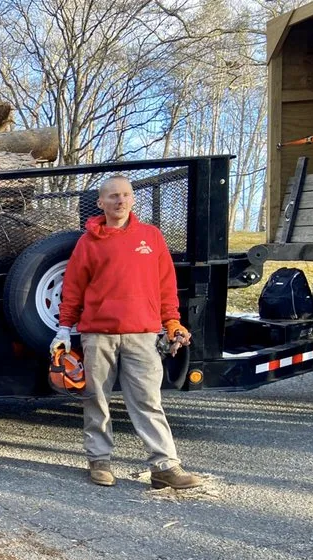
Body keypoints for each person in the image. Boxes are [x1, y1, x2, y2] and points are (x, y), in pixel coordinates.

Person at [52, 175, 202, 490]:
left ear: (133, 200)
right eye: (113, 196)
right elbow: (73, 292)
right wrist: (64, 329)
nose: (120, 201)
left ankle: (164, 466)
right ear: (100, 203)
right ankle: (100, 461)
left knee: (148, 401)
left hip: (144, 335)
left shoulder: (152, 237)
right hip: (98, 335)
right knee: (97, 399)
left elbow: (166, 288)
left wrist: (171, 322)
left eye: (126, 195)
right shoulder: (87, 243)